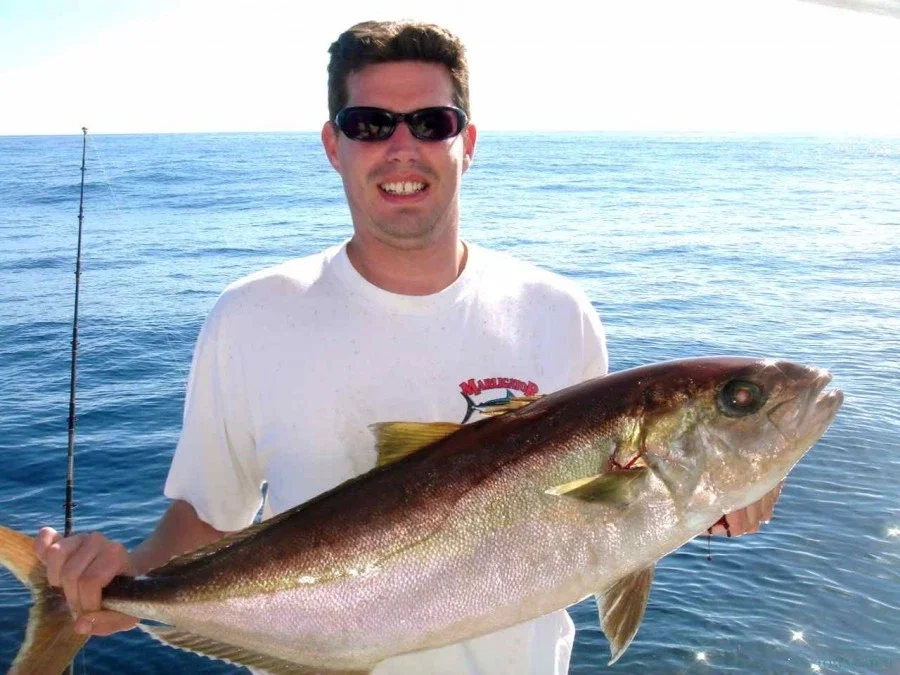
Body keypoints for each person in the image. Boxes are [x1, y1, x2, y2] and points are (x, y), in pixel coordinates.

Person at [34, 19, 782, 674]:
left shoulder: (558, 313)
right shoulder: (252, 316)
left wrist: (710, 505)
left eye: (431, 122)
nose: (401, 147)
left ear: (468, 144)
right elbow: (204, 520)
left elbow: (588, 529)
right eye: (369, 124)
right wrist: (118, 587)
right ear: (333, 145)